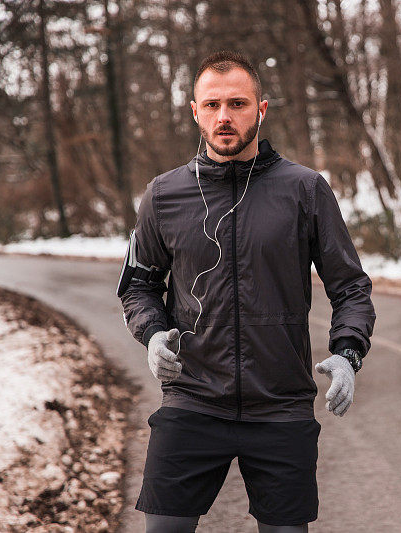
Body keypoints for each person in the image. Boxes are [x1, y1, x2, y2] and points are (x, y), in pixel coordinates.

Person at [117, 50, 376, 533]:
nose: (224, 117)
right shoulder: (164, 195)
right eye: (211, 105)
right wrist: (152, 334)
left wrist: (346, 353)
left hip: (280, 406)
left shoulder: (305, 190)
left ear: (261, 109)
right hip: (192, 400)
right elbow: (139, 285)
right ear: (194, 111)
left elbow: (351, 286)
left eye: (237, 104)